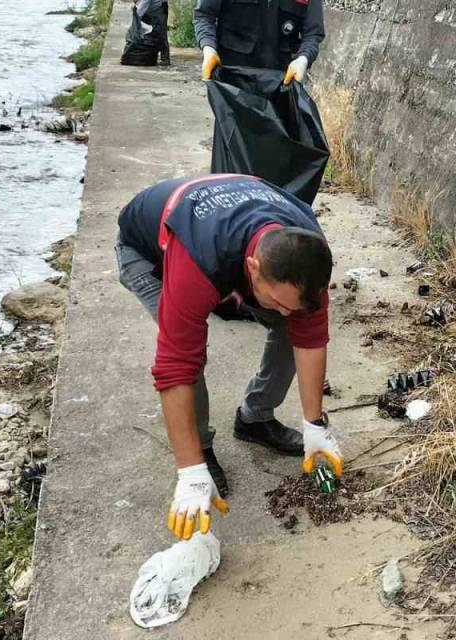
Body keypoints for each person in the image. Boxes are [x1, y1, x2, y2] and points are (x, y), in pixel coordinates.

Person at [115, 173, 344, 540]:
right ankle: (201, 450)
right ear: (253, 268)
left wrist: (315, 425)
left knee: (290, 327)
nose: (286, 311)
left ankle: (254, 419)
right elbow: (174, 367)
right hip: (147, 251)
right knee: (192, 355)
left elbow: (311, 337)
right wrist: (189, 471)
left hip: (233, 233)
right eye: (279, 303)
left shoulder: (307, 254)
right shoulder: (200, 257)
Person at [194, 0, 324, 84]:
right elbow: (205, 14)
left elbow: (313, 33)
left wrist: (303, 59)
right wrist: (209, 49)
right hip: (234, 81)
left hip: (282, 81)